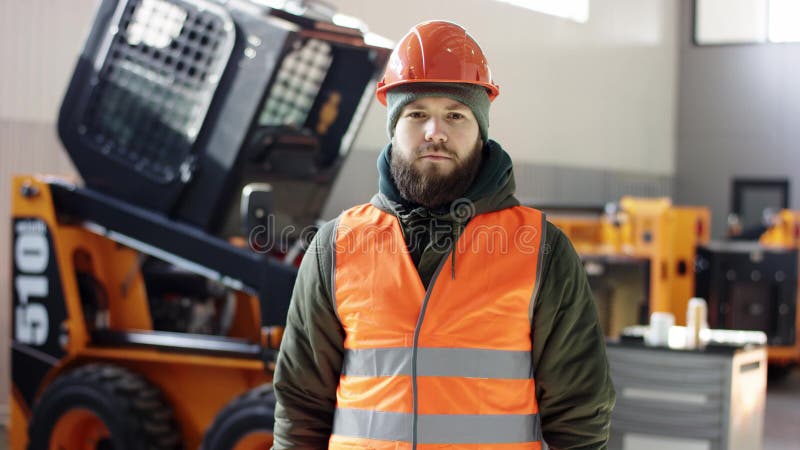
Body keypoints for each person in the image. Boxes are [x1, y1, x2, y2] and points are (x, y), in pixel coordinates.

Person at [272, 20, 615, 450]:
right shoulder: (336, 247)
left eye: (455, 114)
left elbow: (580, 413)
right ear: (394, 128)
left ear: (481, 129)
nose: (436, 131)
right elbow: (301, 406)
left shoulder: (541, 250)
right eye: (417, 114)